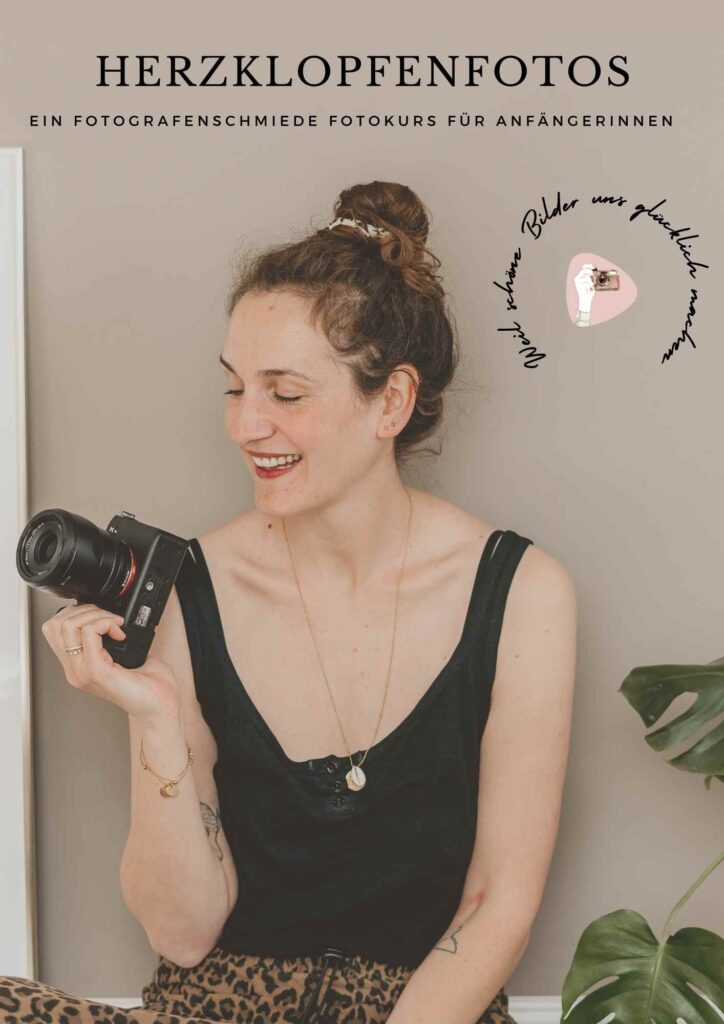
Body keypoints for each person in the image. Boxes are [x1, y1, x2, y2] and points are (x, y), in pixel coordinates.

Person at [0, 180, 577, 1024]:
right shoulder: (188, 588)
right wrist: (155, 716)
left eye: (286, 393)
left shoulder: (525, 594)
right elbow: (182, 935)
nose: (246, 426)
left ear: (391, 401)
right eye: (235, 388)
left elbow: (498, 904)